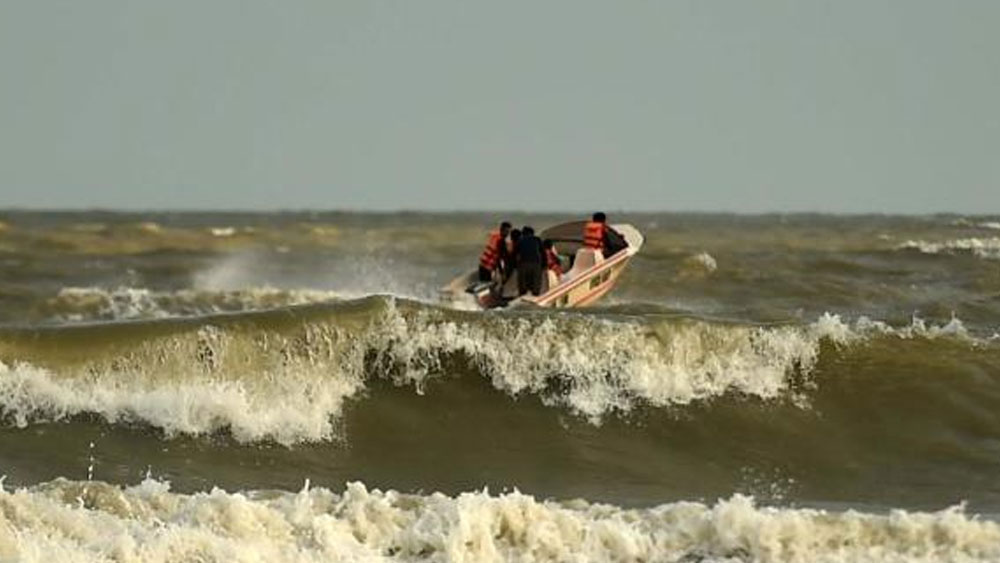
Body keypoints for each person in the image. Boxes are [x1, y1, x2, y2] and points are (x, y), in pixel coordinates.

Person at [514, 226, 545, 296]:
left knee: (523, 284)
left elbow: (515, 253)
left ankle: (522, 296)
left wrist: (515, 266)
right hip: (536, 264)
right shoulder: (537, 240)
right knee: (535, 284)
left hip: (523, 264)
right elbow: (543, 253)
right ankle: (535, 295)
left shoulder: (520, 240)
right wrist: (544, 265)